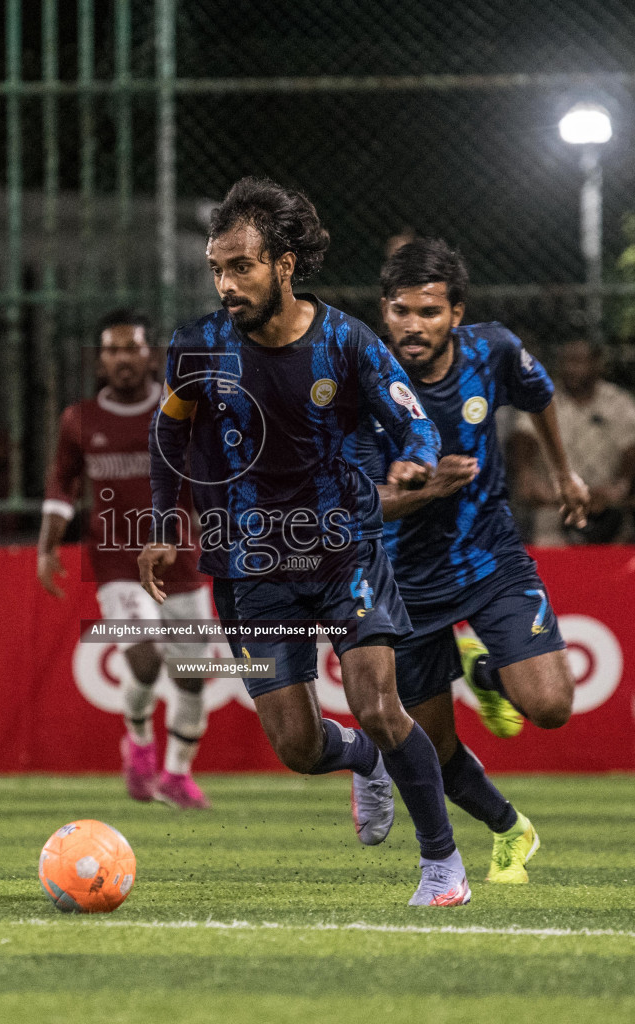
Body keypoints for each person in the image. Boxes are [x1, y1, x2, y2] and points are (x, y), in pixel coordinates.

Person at [139, 177, 470, 906]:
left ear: (285, 264)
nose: (226, 284)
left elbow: (413, 419)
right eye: (217, 269)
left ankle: (442, 866)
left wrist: (414, 456)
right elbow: (168, 429)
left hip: (343, 550)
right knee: (296, 746)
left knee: (381, 706)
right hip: (249, 566)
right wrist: (165, 521)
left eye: (242, 267)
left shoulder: (347, 342)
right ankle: (363, 762)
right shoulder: (197, 345)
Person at [357, 237, 587, 883]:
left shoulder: (494, 351)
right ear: (385, 312)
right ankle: (511, 829)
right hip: (400, 585)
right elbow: (359, 508)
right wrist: (428, 487)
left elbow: (539, 396)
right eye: (401, 311)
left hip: (489, 558)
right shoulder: (363, 385)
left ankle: (485, 673)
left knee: (550, 708)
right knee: (428, 748)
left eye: (429, 312)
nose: (413, 325)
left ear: (456, 314)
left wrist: (565, 474)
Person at [39, 309, 213, 809]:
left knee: (191, 676)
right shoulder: (80, 420)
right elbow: (61, 487)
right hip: (116, 563)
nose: (122, 358)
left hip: (180, 562)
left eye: (130, 348)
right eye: (111, 350)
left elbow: (210, 477)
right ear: (101, 361)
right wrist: (48, 546)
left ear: (150, 355)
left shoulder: (180, 410)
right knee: (143, 657)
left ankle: (176, 774)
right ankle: (138, 741)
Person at [511, 336, 635, 545]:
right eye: (567, 361)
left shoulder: (619, 402)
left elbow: (634, 448)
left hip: (606, 510)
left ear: (596, 363)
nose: (571, 369)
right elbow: (523, 436)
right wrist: (526, 473)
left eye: (578, 361)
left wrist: (621, 485)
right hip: (554, 509)